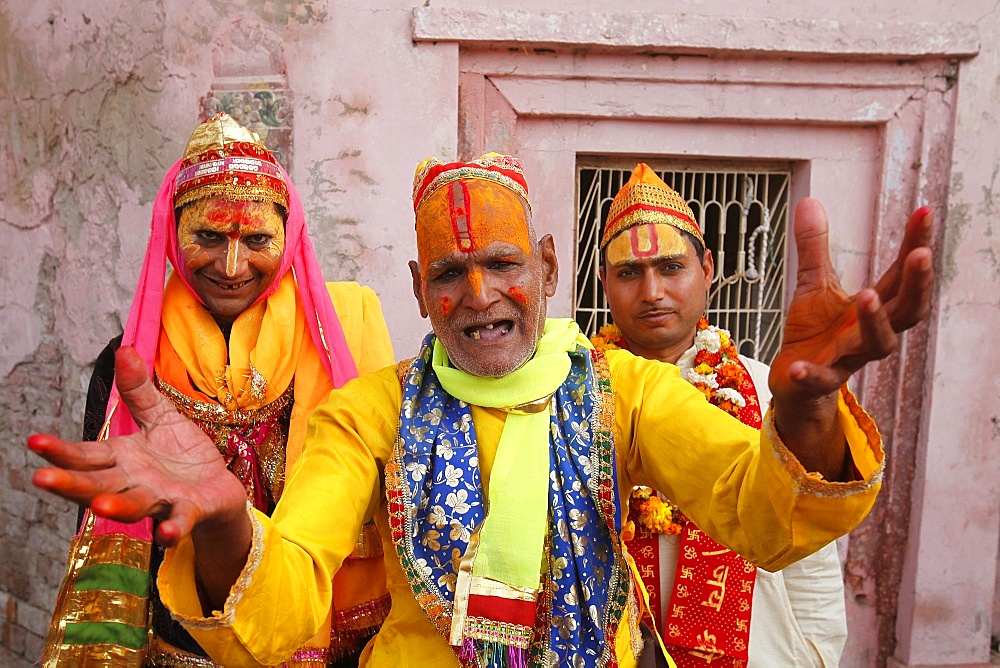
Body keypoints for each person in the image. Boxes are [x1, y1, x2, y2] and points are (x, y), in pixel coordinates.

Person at [29, 152, 935, 667]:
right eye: (450, 274)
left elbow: (759, 513)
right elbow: (293, 579)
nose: (480, 293)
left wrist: (810, 412)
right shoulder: (370, 411)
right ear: (420, 291)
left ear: (546, 265)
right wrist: (229, 522)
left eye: (503, 264)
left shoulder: (623, 389)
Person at [41, 113, 395, 667]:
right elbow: (111, 522)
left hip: (315, 640)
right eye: (208, 236)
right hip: (176, 645)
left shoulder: (335, 345)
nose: (232, 266)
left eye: (257, 239)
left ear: (289, 235)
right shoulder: (130, 365)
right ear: (172, 232)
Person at [592, 164, 848, 666]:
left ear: (706, 268)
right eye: (629, 272)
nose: (652, 293)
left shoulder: (767, 392)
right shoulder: (575, 396)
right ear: (603, 281)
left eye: (670, 267)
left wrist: (813, 652)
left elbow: (811, 557)